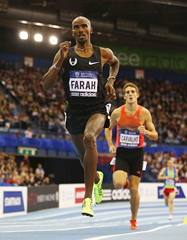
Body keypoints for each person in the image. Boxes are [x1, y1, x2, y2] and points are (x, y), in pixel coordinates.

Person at [42, 16, 119, 217]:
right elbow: (46, 84)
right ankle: (96, 179)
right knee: (82, 156)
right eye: (76, 27)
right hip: (74, 111)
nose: (80, 30)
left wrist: (110, 80)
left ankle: (87, 200)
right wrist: (60, 59)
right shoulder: (64, 54)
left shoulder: (102, 53)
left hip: (97, 108)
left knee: (90, 138)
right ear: (73, 32)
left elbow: (115, 62)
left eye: (84, 26)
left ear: (90, 30)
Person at [105, 82, 158, 230]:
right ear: (124, 96)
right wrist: (110, 144)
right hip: (122, 152)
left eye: (132, 92)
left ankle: (133, 220)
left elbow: (155, 135)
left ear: (137, 95)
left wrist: (146, 132)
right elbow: (107, 129)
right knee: (118, 184)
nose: (130, 94)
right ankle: (125, 182)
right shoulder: (117, 113)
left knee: (134, 191)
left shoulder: (144, 113)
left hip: (137, 154)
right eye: (127, 92)